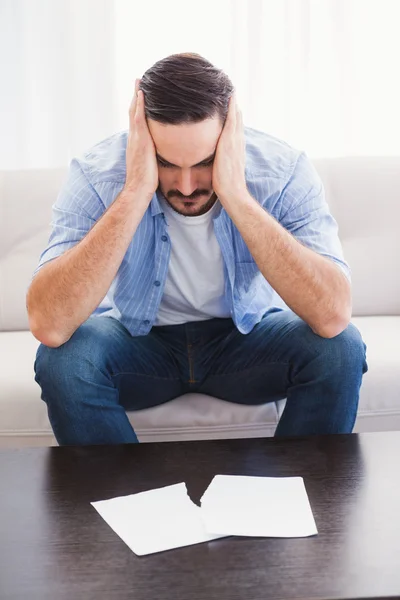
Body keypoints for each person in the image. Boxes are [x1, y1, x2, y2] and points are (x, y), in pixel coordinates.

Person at [27, 53, 368, 446]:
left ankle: (297, 496)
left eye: (204, 162)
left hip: (247, 341)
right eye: (167, 163)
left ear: (230, 132)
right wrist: (136, 189)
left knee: (340, 349)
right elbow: (49, 324)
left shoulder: (282, 170)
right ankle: (128, 502)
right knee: (64, 362)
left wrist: (236, 194)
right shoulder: (96, 174)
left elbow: (332, 316)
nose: (186, 186)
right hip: (140, 342)